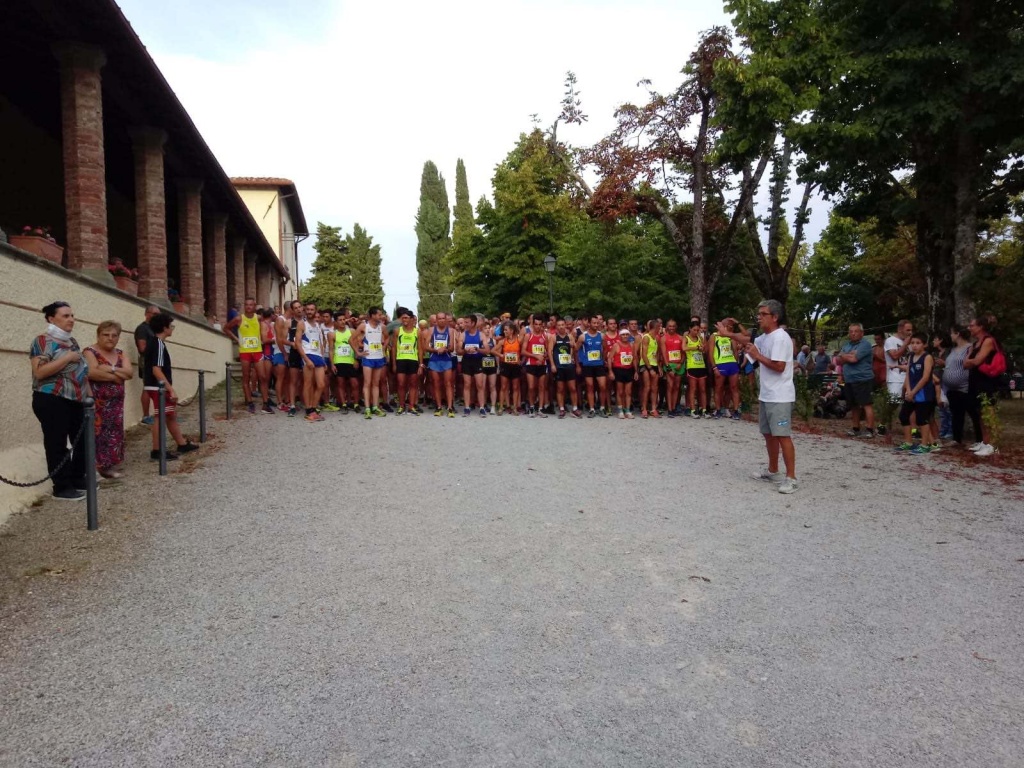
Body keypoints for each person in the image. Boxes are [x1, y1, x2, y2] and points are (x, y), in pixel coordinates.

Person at [719, 300, 798, 494]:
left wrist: (757, 355)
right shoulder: (765, 337)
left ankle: (791, 478)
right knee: (768, 434)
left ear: (775, 317)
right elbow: (746, 339)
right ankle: (773, 470)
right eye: (759, 314)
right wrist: (727, 333)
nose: (759, 317)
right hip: (767, 394)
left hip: (780, 396)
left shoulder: (780, 337)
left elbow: (779, 367)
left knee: (782, 435)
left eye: (763, 314)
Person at [30, 302, 91, 500]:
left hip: (77, 399)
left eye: (72, 315)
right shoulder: (42, 341)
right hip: (51, 398)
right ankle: (62, 486)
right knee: (57, 442)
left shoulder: (71, 341)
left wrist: (89, 395)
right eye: (65, 315)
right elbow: (39, 372)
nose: (71, 319)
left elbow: (81, 371)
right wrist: (67, 358)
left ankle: (77, 478)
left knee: (81, 440)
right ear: (51, 318)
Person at [144, 313, 199, 459]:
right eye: (171, 326)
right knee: (160, 416)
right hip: (158, 387)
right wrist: (170, 388)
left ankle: (181, 443)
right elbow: (157, 369)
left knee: (170, 415)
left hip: (152, 385)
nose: (172, 329)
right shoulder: (159, 344)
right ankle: (157, 450)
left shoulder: (152, 342)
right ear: (164, 327)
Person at [84, 321, 133, 479]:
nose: (110, 338)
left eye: (114, 335)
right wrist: (116, 376)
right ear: (98, 335)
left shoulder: (120, 353)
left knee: (114, 431)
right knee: (98, 432)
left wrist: (110, 368)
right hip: (97, 402)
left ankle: (109, 465)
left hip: (116, 403)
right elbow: (92, 373)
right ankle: (97, 466)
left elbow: (129, 373)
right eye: (106, 335)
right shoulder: (90, 351)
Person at [963, 314, 1002, 457]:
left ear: (981, 327)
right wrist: (971, 360)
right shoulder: (974, 344)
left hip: (987, 380)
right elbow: (965, 363)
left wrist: (971, 360)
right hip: (975, 379)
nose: (969, 328)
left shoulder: (988, 341)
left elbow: (977, 361)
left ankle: (993, 444)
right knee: (980, 411)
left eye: (972, 325)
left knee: (988, 410)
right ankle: (985, 441)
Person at [894, 333, 936, 455]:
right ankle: (908, 442)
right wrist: (908, 390)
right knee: (904, 415)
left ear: (924, 345)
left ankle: (925, 445)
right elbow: (907, 374)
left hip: (923, 392)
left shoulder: (927, 357)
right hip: (911, 392)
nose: (914, 345)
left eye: (918, 343)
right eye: (912, 343)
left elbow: (925, 377)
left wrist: (913, 391)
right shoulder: (911, 356)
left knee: (922, 419)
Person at [226, 298, 269, 415]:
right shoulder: (239, 318)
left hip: (257, 351)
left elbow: (264, 329)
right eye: (247, 305)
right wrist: (236, 339)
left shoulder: (259, 318)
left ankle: (265, 403)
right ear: (244, 306)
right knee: (246, 377)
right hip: (245, 351)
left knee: (263, 377)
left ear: (254, 306)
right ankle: (250, 402)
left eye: (251, 305)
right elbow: (226, 328)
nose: (249, 307)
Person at [837, 323, 876, 438]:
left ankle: (869, 429)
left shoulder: (865, 345)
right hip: (849, 379)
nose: (853, 333)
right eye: (851, 331)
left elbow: (854, 359)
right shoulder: (847, 345)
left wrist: (845, 356)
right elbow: (839, 361)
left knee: (866, 404)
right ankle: (856, 428)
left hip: (863, 378)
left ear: (862, 333)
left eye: (856, 331)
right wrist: (847, 355)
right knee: (854, 405)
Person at [943, 325, 977, 448]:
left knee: (973, 412)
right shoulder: (953, 350)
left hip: (965, 387)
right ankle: (957, 439)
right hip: (952, 389)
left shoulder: (969, 348)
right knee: (956, 414)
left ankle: (980, 440)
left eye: (952, 333)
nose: (950, 336)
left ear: (957, 334)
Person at [353, 307, 389, 419]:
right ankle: (367, 408)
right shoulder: (364, 326)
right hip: (368, 357)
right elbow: (351, 339)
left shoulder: (382, 327)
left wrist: (383, 348)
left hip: (379, 357)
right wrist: (358, 353)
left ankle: (375, 407)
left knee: (376, 383)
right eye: (379, 314)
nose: (381, 316)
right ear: (372, 315)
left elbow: (387, 338)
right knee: (367, 383)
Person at [296, 302, 326, 422]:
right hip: (308, 354)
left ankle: (313, 408)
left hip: (318, 355)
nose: (309, 311)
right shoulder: (302, 324)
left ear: (315, 311)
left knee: (321, 384)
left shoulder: (318, 325)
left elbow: (321, 342)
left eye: (311, 310)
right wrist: (306, 359)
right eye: (307, 309)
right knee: (308, 384)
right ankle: (309, 410)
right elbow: (298, 343)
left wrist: (323, 359)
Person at [391, 308, 422, 415]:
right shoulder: (397, 331)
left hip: (413, 360)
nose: (404, 320)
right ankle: (401, 405)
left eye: (406, 318)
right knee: (401, 384)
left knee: (413, 384)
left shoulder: (417, 331)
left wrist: (421, 364)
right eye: (403, 317)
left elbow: (420, 349)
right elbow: (394, 348)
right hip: (401, 360)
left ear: (411, 319)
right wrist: (394, 363)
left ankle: (412, 406)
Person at [549, 318, 581, 418]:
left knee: (572, 388)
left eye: (563, 325)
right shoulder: (554, 337)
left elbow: (575, 350)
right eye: (559, 325)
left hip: (569, 366)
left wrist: (574, 346)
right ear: (556, 327)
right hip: (559, 366)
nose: (561, 327)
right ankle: (562, 409)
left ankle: (575, 408)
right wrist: (552, 365)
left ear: (565, 326)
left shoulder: (570, 336)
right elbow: (550, 351)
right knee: (560, 389)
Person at [425, 312, 456, 417]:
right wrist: (436, 349)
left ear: (446, 320)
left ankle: (450, 407)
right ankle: (438, 407)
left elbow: (452, 348)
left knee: (448, 383)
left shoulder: (451, 331)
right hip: (434, 359)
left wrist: (445, 349)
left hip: (446, 359)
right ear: (436, 320)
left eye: (444, 318)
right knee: (436, 384)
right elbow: (426, 347)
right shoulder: (431, 330)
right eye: (440, 319)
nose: (442, 320)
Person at [330, 311, 361, 412]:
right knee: (341, 383)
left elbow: (356, 345)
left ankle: (356, 404)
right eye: (340, 320)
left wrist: (356, 359)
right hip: (339, 361)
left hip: (350, 360)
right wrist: (332, 364)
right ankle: (343, 404)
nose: (342, 322)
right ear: (335, 322)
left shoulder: (351, 331)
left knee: (354, 383)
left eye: (344, 319)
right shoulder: (332, 334)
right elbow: (331, 350)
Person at [458, 314, 488, 417]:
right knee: (467, 384)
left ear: (473, 323)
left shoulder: (481, 335)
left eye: (467, 322)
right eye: (464, 322)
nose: (465, 324)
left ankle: (482, 407)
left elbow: (487, 350)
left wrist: (477, 349)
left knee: (480, 385)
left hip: (477, 361)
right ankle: (467, 407)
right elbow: (458, 351)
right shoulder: (463, 335)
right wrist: (465, 350)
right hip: (466, 361)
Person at [134, 305, 159, 424]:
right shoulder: (142, 329)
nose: (156, 317)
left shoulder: (154, 329)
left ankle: (159, 414)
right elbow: (142, 348)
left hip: (155, 361)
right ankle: (145, 416)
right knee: (147, 388)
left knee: (156, 387)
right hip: (147, 361)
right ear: (147, 314)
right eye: (154, 314)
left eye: (158, 315)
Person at [710, 324, 741, 419]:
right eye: (727, 325)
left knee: (734, 388)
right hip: (720, 364)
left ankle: (736, 410)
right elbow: (710, 353)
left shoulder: (730, 336)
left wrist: (736, 364)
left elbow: (735, 351)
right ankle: (718, 410)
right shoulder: (714, 336)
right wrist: (714, 367)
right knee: (718, 388)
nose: (730, 327)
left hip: (731, 363)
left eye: (730, 326)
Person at [523, 315, 550, 418]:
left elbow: (547, 351)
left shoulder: (544, 336)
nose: (538, 326)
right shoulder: (528, 336)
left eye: (540, 324)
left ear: (542, 325)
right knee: (531, 387)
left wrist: (543, 358)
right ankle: (531, 407)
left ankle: (540, 408)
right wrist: (535, 356)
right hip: (531, 364)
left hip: (542, 364)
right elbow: (523, 351)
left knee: (542, 387)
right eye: (536, 324)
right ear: (533, 324)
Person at [494, 320, 522, 415]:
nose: (504, 332)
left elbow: (524, 350)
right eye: (504, 330)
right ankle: (501, 407)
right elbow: (493, 350)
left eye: (506, 330)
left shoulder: (518, 340)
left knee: (515, 387)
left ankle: (514, 407)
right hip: (505, 365)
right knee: (503, 387)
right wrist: (501, 355)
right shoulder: (502, 341)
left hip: (515, 366)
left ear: (512, 330)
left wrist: (521, 360)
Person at [609, 328, 638, 419]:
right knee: (620, 392)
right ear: (620, 336)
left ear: (629, 336)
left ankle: (628, 410)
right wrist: (610, 371)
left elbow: (634, 359)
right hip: (619, 370)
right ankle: (620, 410)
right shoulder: (616, 345)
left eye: (626, 334)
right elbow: (610, 358)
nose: (625, 336)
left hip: (629, 370)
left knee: (628, 392)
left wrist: (636, 371)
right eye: (623, 334)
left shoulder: (632, 345)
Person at [684, 319, 708, 418]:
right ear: (690, 329)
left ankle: (704, 409)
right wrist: (695, 348)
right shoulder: (686, 338)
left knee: (702, 389)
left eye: (698, 330)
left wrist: (702, 349)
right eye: (694, 330)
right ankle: (693, 409)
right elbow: (684, 348)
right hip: (691, 366)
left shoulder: (700, 338)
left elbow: (704, 350)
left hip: (701, 365)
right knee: (692, 389)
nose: (696, 332)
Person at [661, 319, 685, 417]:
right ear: (667, 327)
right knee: (670, 386)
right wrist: (668, 367)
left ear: (676, 327)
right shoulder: (663, 338)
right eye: (669, 326)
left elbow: (684, 352)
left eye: (673, 326)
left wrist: (681, 363)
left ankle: (674, 407)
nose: (671, 328)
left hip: (679, 364)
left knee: (676, 387)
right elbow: (663, 354)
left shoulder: (680, 338)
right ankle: (670, 409)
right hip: (669, 364)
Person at [638, 320, 661, 418]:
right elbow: (643, 354)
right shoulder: (646, 338)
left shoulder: (655, 338)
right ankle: (644, 409)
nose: (660, 329)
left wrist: (658, 366)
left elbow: (656, 354)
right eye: (658, 327)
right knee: (647, 387)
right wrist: (650, 368)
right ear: (655, 327)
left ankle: (653, 409)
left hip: (654, 363)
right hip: (646, 364)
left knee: (654, 388)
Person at [884, 320, 913, 398]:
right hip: (895, 379)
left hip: (909, 378)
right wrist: (905, 344)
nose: (910, 333)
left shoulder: (910, 342)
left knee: (909, 403)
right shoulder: (890, 341)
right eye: (908, 330)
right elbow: (894, 356)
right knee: (894, 403)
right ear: (900, 329)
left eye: (911, 330)